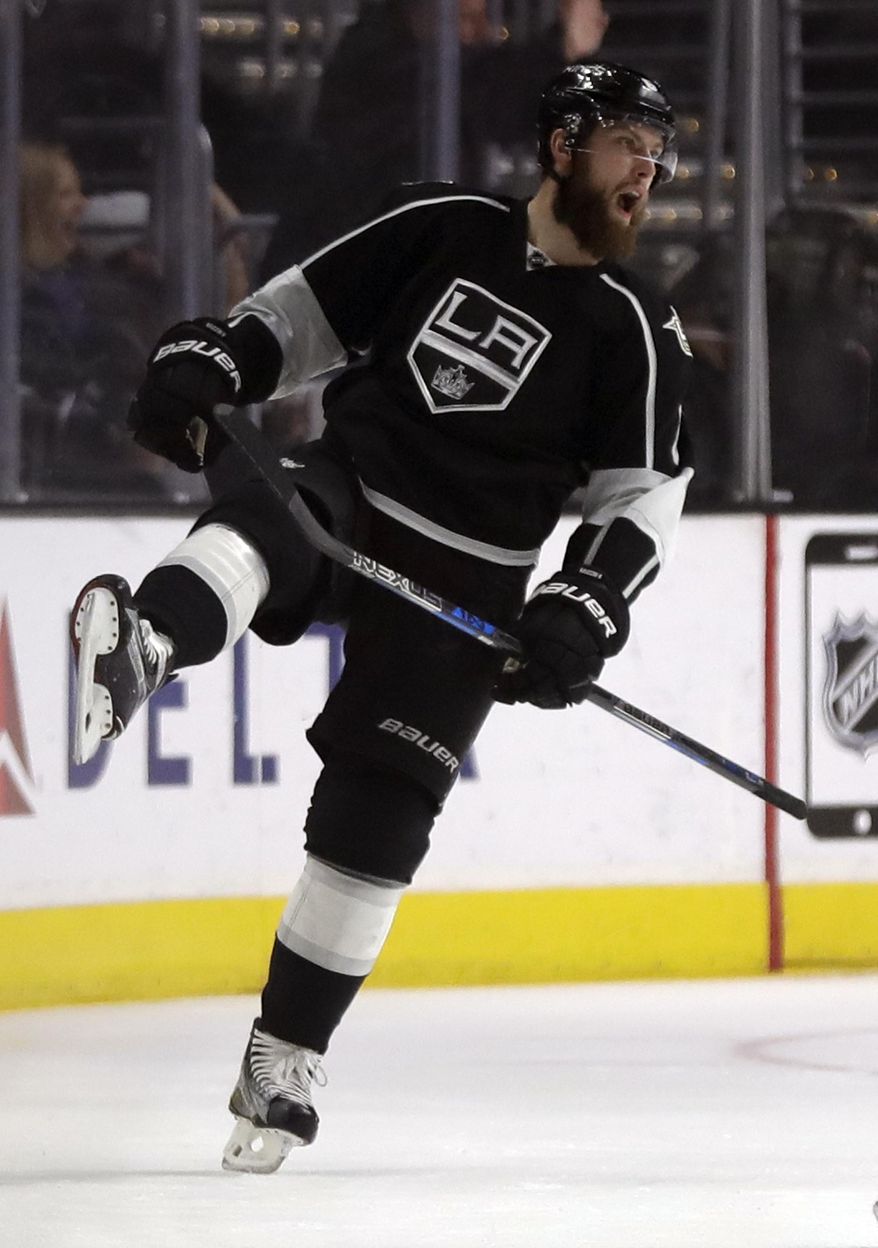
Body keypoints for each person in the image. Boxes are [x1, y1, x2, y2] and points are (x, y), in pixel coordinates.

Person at [69, 61, 693, 1173]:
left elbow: (640, 496)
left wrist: (587, 601)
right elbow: (295, 319)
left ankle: (282, 1057)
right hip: (356, 486)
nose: (645, 173)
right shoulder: (444, 225)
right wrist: (218, 359)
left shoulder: (636, 327)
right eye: (625, 147)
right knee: (275, 521)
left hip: (474, 581)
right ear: (561, 147)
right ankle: (147, 642)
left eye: (657, 154)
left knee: (386, 810)